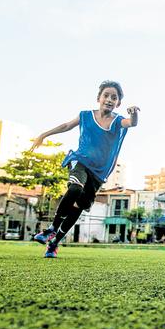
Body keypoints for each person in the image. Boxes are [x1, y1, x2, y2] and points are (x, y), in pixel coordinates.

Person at [31, 80, 139, 258]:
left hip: (99, 173)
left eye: (114, 97)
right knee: (74, 188)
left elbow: (132, 123)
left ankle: (54, 243)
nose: (109, 99)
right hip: (79, 161)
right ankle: (51, 229)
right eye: (106, 95)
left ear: (118, 103)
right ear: (99, 98)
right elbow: (66, 125)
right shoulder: (85, 115)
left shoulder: (118, 121)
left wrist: (134, 113)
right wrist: (44, 134)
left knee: (79, 206)